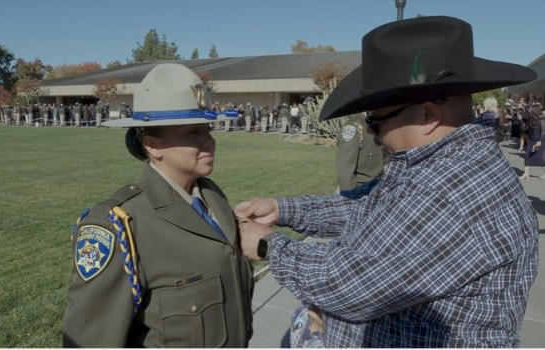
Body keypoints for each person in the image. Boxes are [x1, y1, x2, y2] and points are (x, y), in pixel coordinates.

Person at [234, 16, 538, 347]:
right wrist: (284, 209)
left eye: (376, 121)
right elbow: (371, 208)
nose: (373, 133)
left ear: (427, 115)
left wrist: (269, 246)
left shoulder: (449, 193)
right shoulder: (437, 165)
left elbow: (347, 285)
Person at [62, 63, 253, 347]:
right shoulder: (119, 224)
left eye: (208, 129)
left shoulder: (212, 196)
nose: (209, 141)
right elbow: (90, 338)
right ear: (152, 145)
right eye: (193, 132)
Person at [335, 113, 385, 191]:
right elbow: (346, 167)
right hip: (361, 190)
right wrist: (349, 196)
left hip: (380, 186)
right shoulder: (354, 128)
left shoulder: (380, 122)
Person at [519, 108, 545, 179]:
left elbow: (543, 131)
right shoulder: (530, 120)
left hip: (539, 140)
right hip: (531, 140)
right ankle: (526, 174)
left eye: (531, 110)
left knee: (538, 157)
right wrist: (521, 120)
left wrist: (540, 141)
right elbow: (524, 128)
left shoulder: (541, 120)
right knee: (527, 155)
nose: (529, 111)